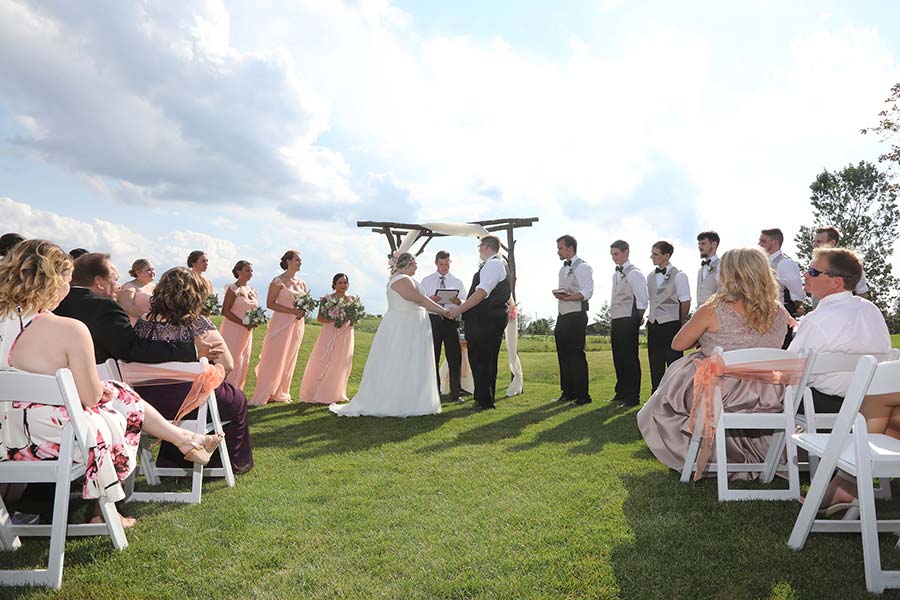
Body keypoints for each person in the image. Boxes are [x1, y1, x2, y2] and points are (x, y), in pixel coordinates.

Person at [0, 240, 222, 523]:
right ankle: (107, 510)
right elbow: (91, 398)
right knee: (120, 402)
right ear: (53, 283)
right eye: (66, 282)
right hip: (52, 442)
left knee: (118, 395)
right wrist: (101, 391)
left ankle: (186, 441)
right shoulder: (69, 330)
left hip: (4, 438)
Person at [637, 247, 792, 477]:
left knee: (681, 374)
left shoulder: (713, 309)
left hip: (724, 394)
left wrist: (703, 337)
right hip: (767, 394)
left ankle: (692, 451)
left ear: (729, 275)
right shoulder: (780, 312)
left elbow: (677, 344)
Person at [133, 267, 253, 475]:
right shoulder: (198, 324)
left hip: (148, 402)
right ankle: (223, 464)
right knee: (236, 400)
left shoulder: (143, 322)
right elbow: (228, 364)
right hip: (190, 401)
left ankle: (172, 461)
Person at [330, 253, 447, 417]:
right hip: (403, 327)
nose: (417, 267)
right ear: (409, 263)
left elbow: (418, 299)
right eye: (416, 264)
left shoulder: (403, 279)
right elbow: (418, 299)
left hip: (412, 326)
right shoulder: (401, 280)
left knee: (411, 361)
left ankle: (414, 399)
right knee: (400, 360)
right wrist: (444, 311)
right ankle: (395, 401)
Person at [787, 247, 891, 414]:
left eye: (813, 271)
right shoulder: (871, 310)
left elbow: (790, 369)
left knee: (758, 397)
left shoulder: (816, 320)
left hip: (822, 405)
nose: (805, 274)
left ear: (836, 282)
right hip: (869, 404)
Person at [54, 253, 200, 364]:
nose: (118, 286)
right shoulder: (104, 308)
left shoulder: (55, 304)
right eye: (115, 279)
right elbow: (133, 350)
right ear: (99, 282)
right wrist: (190, 350)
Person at [448, 236, 511, 411]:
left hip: (484, 320)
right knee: (487, 360)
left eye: (479, 246)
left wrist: (458, 311)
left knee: (481, 359)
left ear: (485, 247)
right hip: (490, 318)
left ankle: (484, 401)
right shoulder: (501, 263)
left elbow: (482, 292)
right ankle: (485, 397)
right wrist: (462, 301)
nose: (478, 250)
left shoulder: (492, 264)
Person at [250, 250, 308, 406]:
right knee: (274, 357)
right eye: (297, 260)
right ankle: (265, 392)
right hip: (281, 324)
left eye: (300, 260)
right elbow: (270, 304)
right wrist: (292, 311)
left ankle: (281, 392)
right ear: (288, 261)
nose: (300, 262)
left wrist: (303, 311)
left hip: (297, 325)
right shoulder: (278, 281)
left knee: (290, 357)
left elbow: (305, 302)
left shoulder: (302, 283)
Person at [299, 273, 356, 404]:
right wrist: (334, 318)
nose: (343, 285)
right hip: (329, 332)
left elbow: (355, 319)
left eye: (345, 283)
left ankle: (334, 393)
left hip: (346, 334)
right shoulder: (327, 299)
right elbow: (320, 318)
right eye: (340, 282)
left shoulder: (352, 299)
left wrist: (352, 320)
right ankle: (314, 392)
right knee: (323, 360)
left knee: (340, 362)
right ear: (334, 284)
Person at [552, 234, 594, 405]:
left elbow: (588, 291)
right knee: (563, 354)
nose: (558, 251)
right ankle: (567, 391)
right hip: (562, 315)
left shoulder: (583, 267)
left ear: (570, 248)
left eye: (560, 248)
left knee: (576, 355)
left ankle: (583, 395)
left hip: (576, 315)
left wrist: (569, 298)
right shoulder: (562, 269)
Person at [645, 241, 691, 394]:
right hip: (653, 324)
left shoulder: (679, 276)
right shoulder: (650, 276)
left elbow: (685, 301)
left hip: (671, 324)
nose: (651, 257)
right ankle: (655, 396)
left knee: (674, 364)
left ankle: (675, 397)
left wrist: (679, 321)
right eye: (652, 253)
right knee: (655, 362)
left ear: (666, 255)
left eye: (655, 254)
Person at [421, 250, 466, 402]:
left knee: (454, 357)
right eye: (441, 264)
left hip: (451, 321)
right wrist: (431, 299)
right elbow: (420, 301)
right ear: (436, 263)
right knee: (433, 356)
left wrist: (458, 301)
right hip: (433, 321)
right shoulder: (426, 281)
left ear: (450, 262)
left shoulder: (457, 281)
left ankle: (456, 393)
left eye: (447, 264)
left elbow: (465, 301)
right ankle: (434, 393)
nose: (444, 267)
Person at [608, 240, 647, 407]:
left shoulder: (635, 273)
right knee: (618, 357)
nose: (613, 258)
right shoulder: (616, 274)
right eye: (612, 254)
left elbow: (642, 299)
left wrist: (637, 318)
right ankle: (621, 392)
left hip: (629, 319)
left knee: (629, 358)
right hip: (616, 318)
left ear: (626, 252)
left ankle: (632, 397)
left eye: (616, 254)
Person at [758, 228, 805, 347]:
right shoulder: (760, 263)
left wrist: (790, 311)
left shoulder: (785, 263)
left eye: (763, 241)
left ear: (774, 243)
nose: (759, 244)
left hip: (779, 320)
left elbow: (798, 294)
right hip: (759, 319)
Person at [220, 260, 259, 390]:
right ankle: (226, 390)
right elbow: (225, 311)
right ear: (238, 271)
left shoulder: (252, 290)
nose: (250, 273)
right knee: (232, 359)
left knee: (244, 360)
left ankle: (237, 391)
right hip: (233, 329)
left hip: (247, 331)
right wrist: (242, 322)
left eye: (251, 271)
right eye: (247, 270)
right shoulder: (233, 289)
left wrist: (255, 320)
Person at [811, 226, 870, 300]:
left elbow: (862, 292)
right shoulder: (813, 264)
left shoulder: (849, 263)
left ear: (832, 243)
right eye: (814, 241)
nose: (814, 245)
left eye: (819, 241)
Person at [117, 258, 156, 325]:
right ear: (138, 272)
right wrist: (148, 318)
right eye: (148, 270)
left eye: (153, 269)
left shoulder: (156, 287)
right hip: (135, 326)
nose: (152, 272)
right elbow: (127, 306)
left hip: (153, 326)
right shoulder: (130, 286)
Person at [696, 230, 721, 306]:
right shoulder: (701, 270)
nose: (699, 247)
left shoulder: (722, 265)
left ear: (714, 244)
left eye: (703, 243)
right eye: (699, 244)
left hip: (716, 312)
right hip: (701, 313)